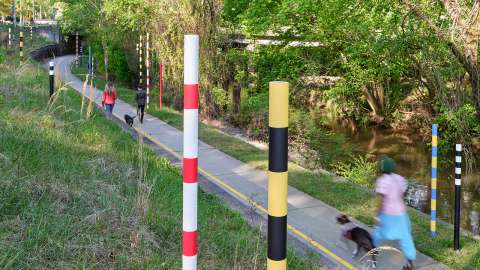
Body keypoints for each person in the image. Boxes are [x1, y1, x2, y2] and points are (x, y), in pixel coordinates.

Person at [373, 157, 416, 270]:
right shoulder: (400, 178)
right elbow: (403, 193)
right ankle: (410, 262)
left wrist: (377, 215)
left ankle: (373, 250)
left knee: (378, 231)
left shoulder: (382, 180)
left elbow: (382, 201)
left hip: (388, 213)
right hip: (401, 212)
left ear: (382, 169)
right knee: (405, 236)